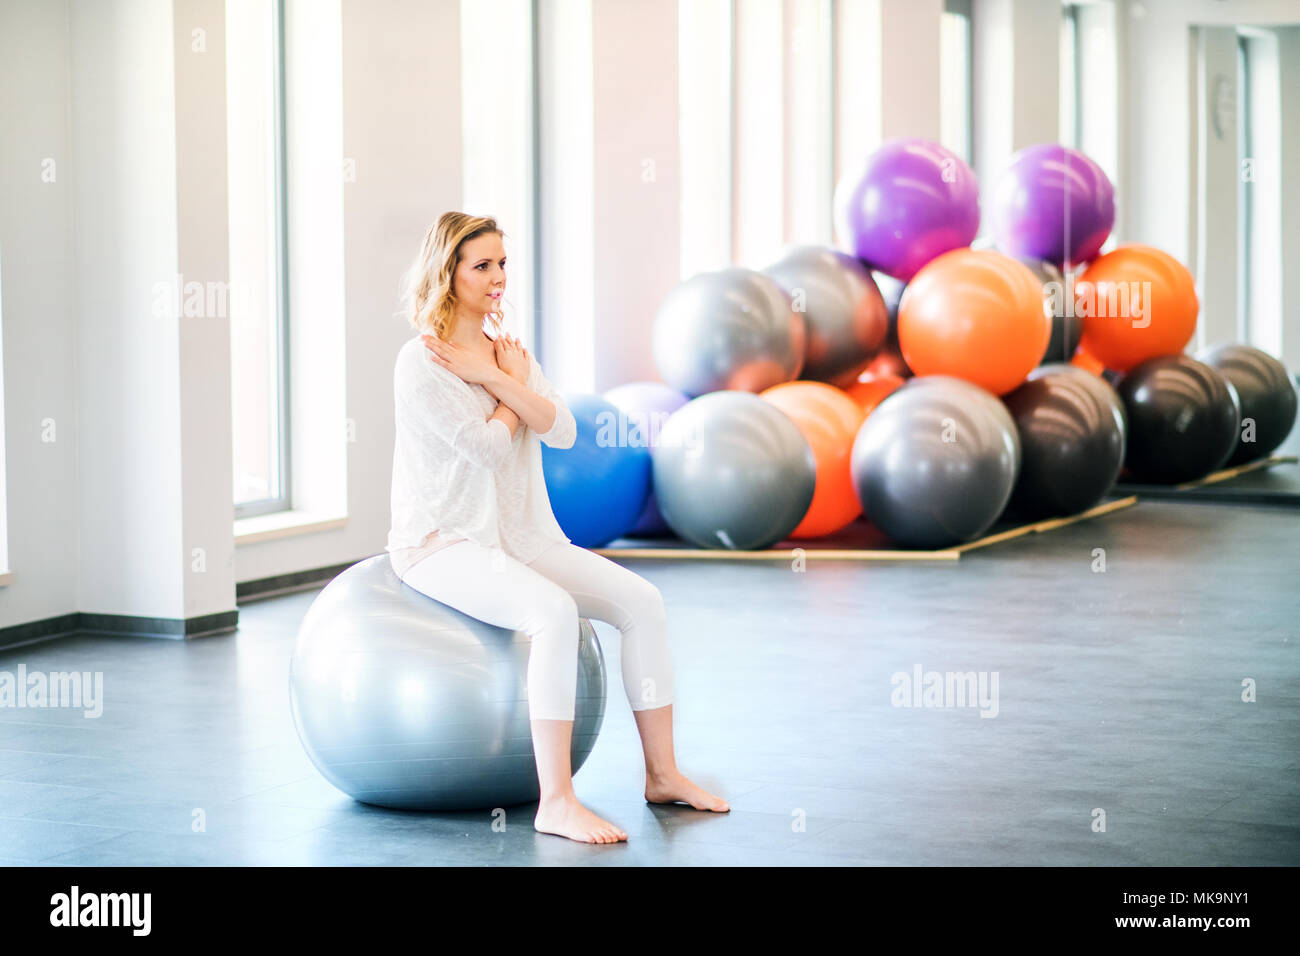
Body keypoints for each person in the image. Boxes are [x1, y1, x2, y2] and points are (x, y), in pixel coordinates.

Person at [386, 212, 729, 844]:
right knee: (553, 613)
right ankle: (557, 801)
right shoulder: (423, 362)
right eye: (481, 265)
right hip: (442, 541)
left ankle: (662, 773)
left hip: (519, 533)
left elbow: (563, 429)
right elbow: (488, 447)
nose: (497, 278)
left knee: (643, 602)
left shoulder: (507, 353)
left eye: (502, 264)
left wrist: (498, 377)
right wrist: (508, 390)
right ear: (448, 271)